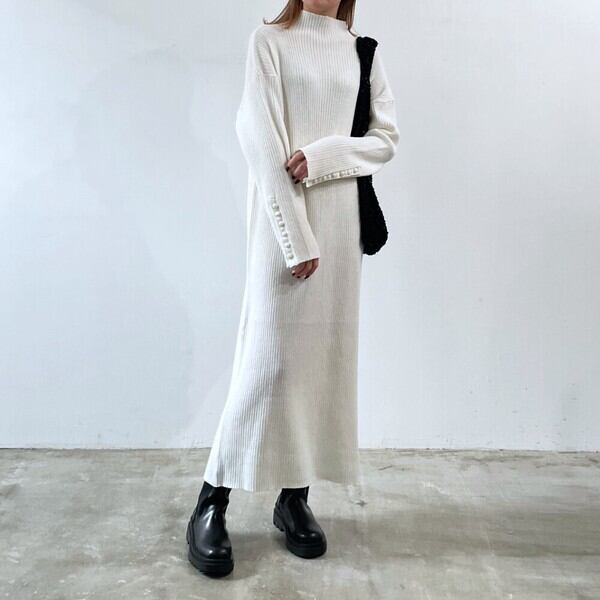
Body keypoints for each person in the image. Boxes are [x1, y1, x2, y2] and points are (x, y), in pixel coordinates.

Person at [186, 0, 399, 577]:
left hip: (343, 226)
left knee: (320, 364)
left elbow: (385, 138)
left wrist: (326, 154)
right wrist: (294, 235)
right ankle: (211, 500)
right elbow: (259, 139)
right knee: (266, 362)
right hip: (283, 224)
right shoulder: (270, 41)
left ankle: (294, 498)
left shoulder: (362, 52)